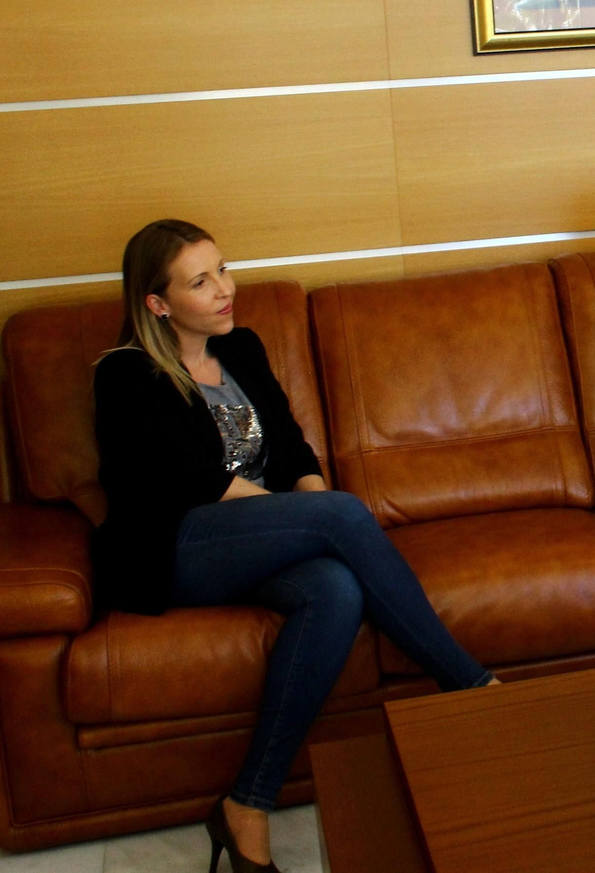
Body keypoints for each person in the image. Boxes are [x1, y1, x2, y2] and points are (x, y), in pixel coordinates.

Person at [92, 220, 497, 873]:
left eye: (224, 270)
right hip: (175, 547)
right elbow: (197, 481)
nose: (225, 290)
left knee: (335, 589)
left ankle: (245, 805)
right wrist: (314, 516)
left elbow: (291, 446)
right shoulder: (126, 374)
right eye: (201, 282)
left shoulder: (241, 348)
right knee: (338, 514)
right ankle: (474, 688)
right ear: (157, 303)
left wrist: (308, 503)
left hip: (259, 538)